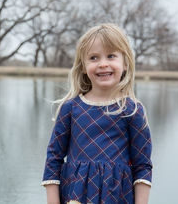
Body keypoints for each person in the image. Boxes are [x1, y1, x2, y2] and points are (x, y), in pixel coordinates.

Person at [41, 23, 152, 204]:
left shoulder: (132, 111)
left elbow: (142, 166)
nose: (103, 64)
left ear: (125, 63)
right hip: (74, 198)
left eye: (111, 56)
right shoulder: (71, 109)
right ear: (83, 66)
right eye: (93, 57)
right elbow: (53, 159)